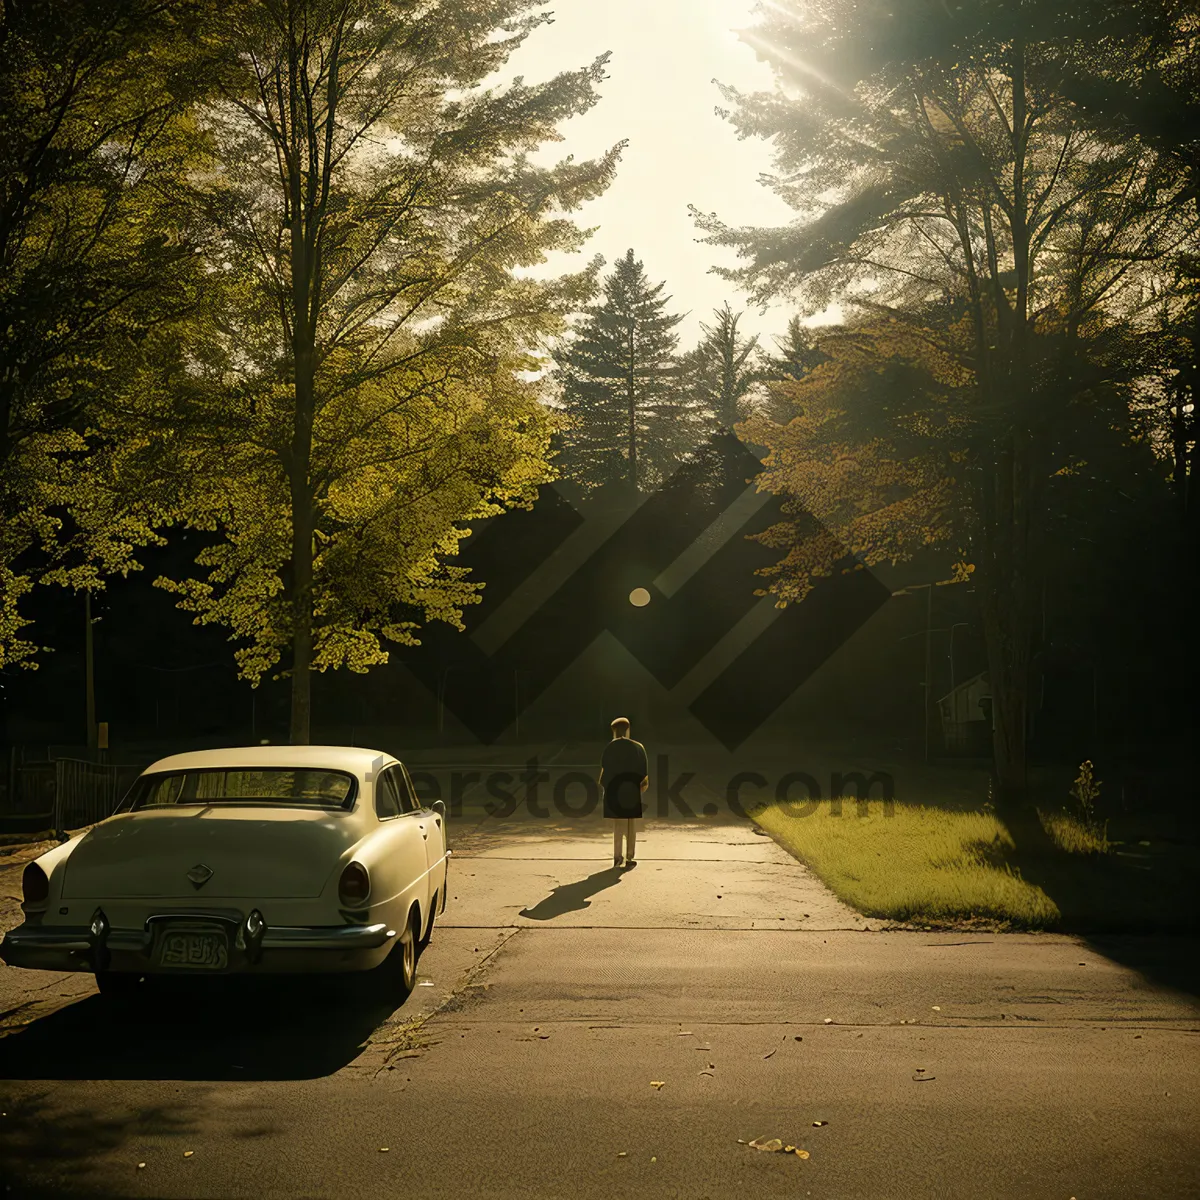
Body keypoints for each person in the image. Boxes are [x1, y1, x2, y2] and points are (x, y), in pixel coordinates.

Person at [598, 716, 648, 868]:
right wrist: (640, 789)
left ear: (614, 731)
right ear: (628, 729)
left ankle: (617, 857)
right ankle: (629, 857)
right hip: (632, 790)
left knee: (618, 827)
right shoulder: (638, 747)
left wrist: (606, 788)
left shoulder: (610, 747)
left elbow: (604, 771)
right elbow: (643, 774)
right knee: (630, 827)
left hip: (614, 790)